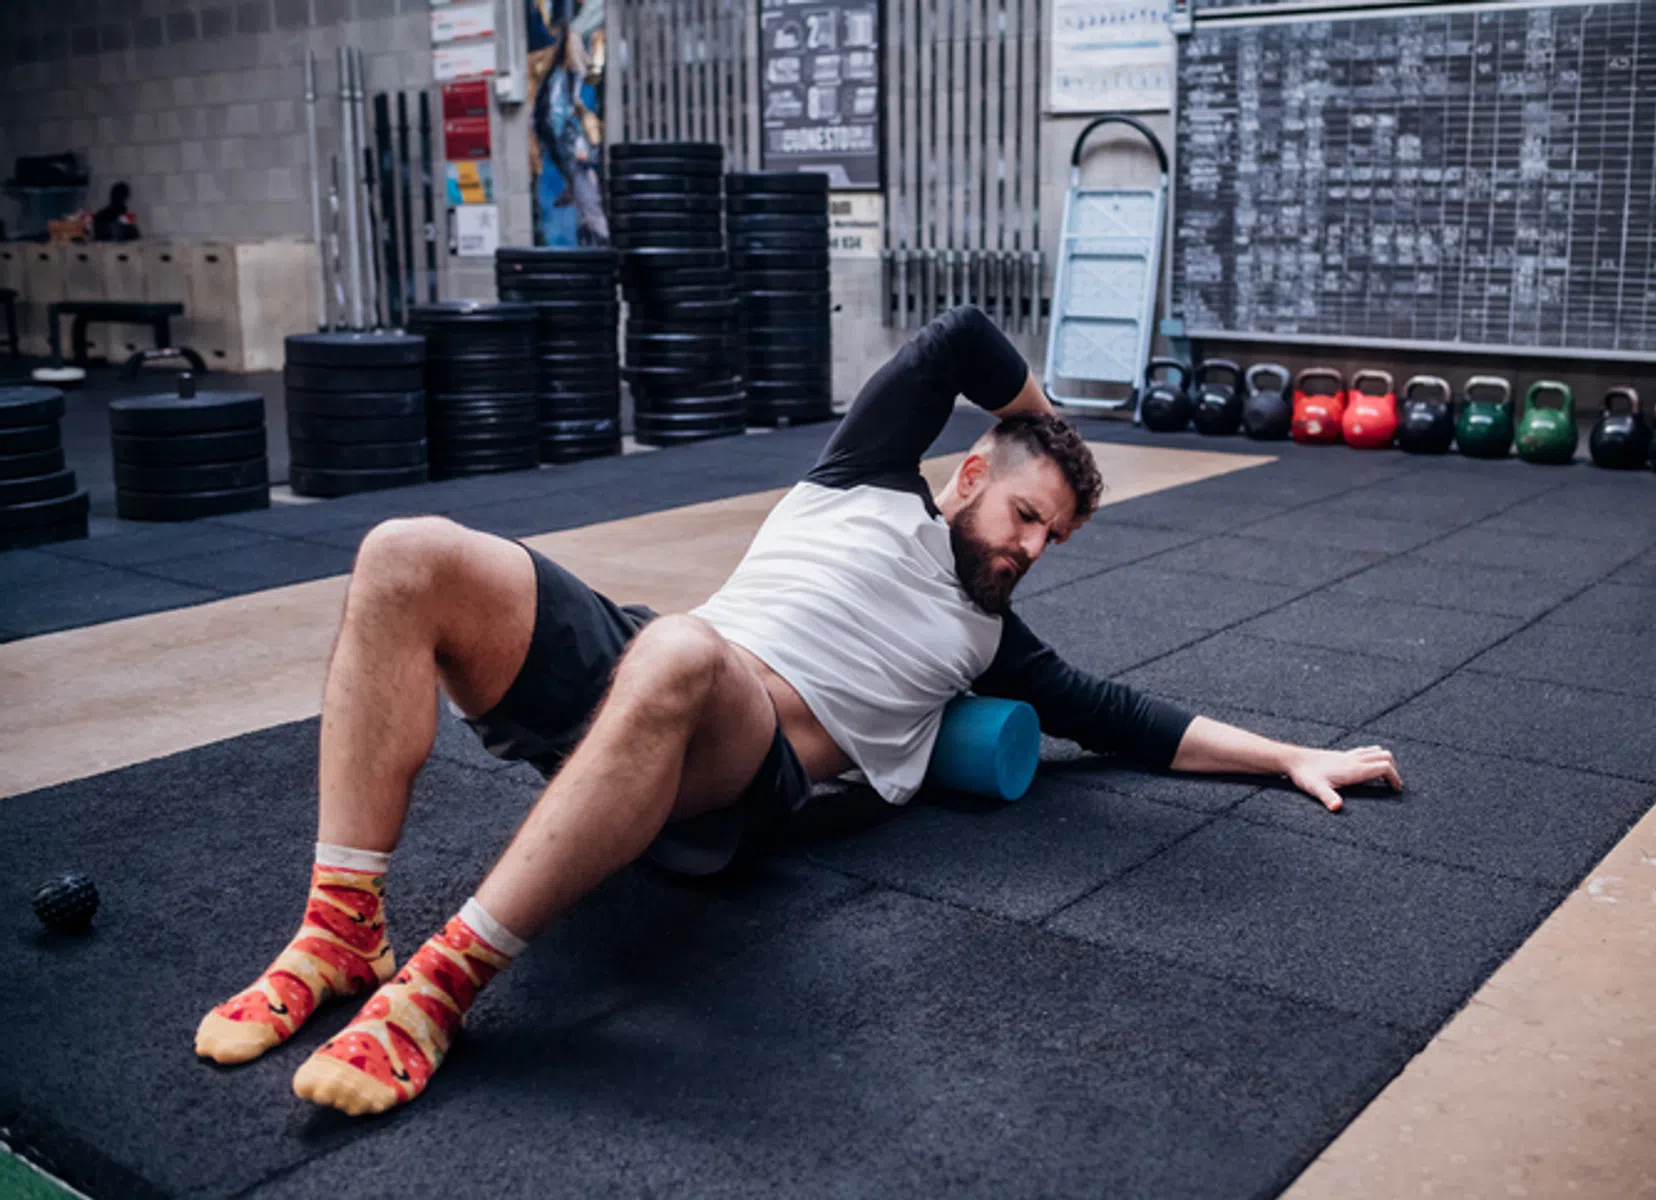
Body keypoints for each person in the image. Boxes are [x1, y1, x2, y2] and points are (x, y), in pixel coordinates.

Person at [194, 305, 1403, 1116]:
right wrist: (1042, 423)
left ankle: (443, 987)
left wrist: (1295, 754)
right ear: (969, 476)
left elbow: (1136, 722)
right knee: (407, 550)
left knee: (678, 651)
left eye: (1056, 538)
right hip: (644, 666)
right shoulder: (860, 481)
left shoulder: (992, 648)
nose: (1033, 548)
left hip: (737, 755)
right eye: (1025, 516)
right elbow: (955, 344)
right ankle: (343, 923)